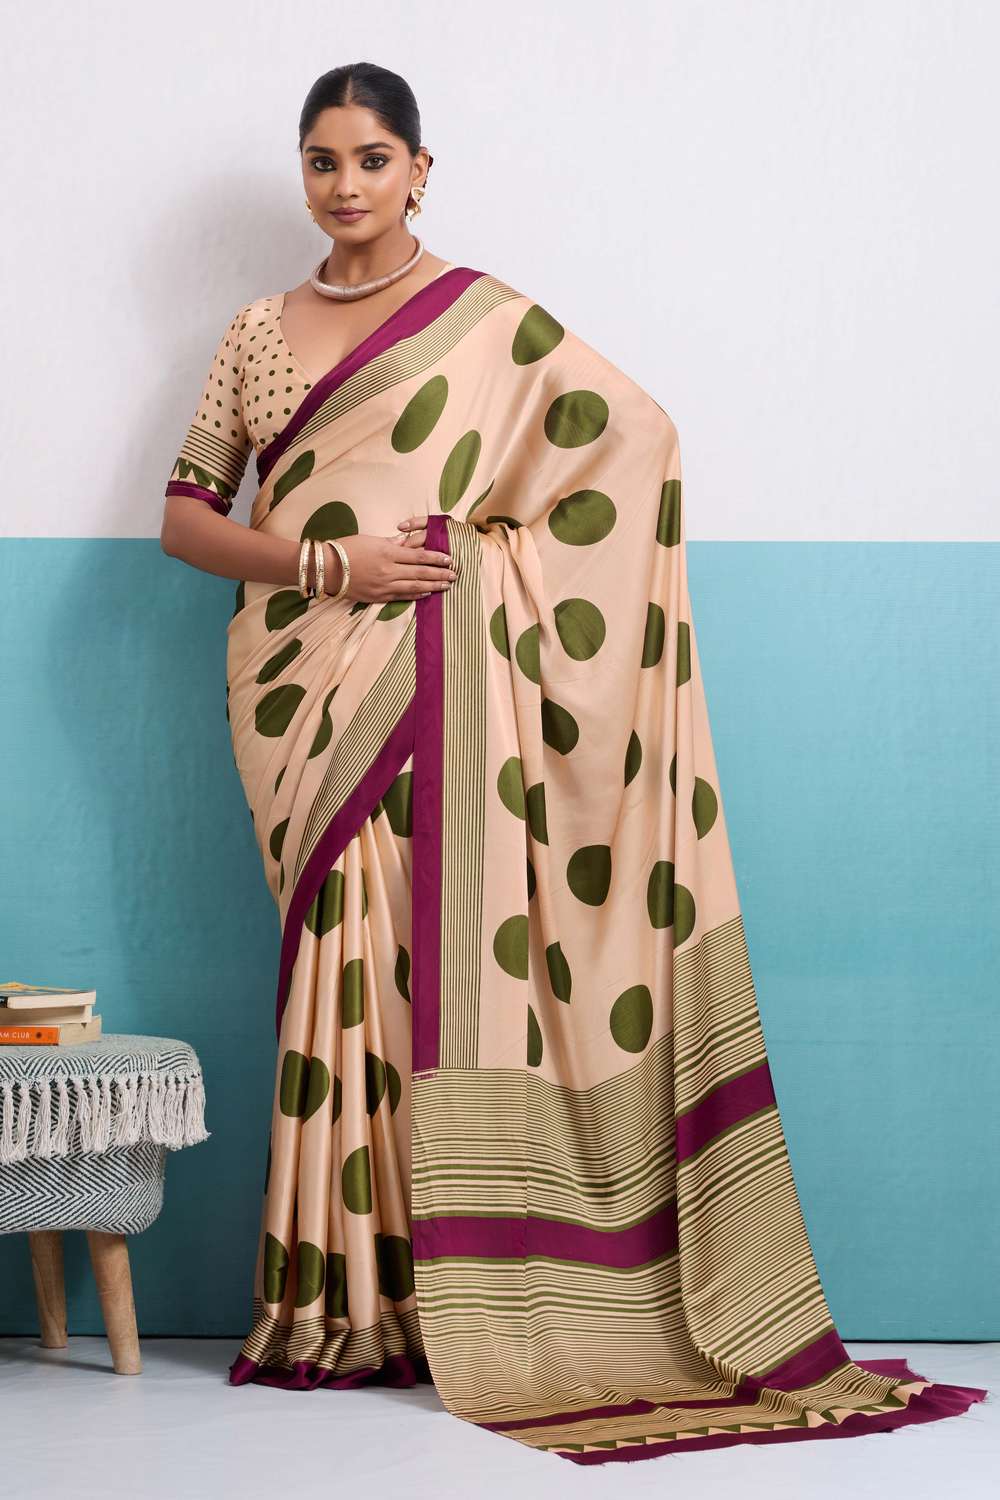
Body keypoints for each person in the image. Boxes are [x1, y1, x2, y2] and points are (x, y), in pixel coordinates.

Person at [160, 61, 987, 1465]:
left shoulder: (487, 321)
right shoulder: (256, 331)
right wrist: (329, 566)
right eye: (323, 160)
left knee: (422, 968)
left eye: (372, 158)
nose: (347, 184)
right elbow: (186, 516)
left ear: (421, 169)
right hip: (303, 686)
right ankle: (343, 1303)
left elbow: (635, 443)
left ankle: (446, 1292)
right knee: (342, 968)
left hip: (437, 682)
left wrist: (470, 561)